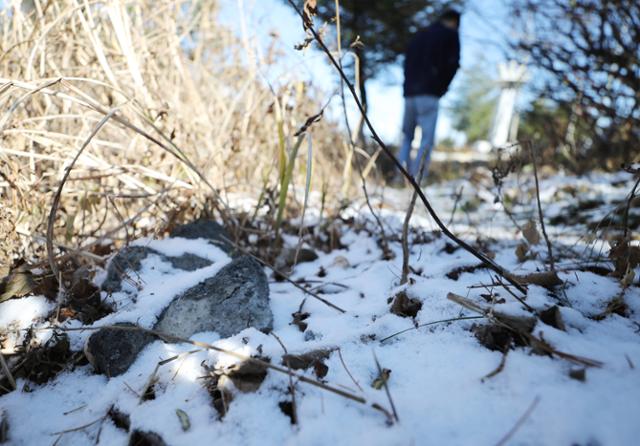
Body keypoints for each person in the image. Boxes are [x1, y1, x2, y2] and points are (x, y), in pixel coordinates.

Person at [398, 9, 461, 178]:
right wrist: (442, 88)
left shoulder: (419, 35)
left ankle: (400, 176)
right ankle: (417, 178)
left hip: (409, 92)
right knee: (426, 140)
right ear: (454, 22)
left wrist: (408, 85)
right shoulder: (450, 35)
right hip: (430, 92)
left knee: (407, 138)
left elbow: (406, 62)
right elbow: (453, 64)